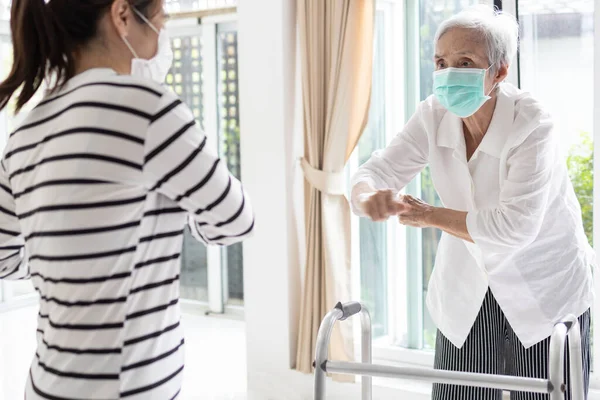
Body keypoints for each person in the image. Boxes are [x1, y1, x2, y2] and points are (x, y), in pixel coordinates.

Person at [0, 0, 254, 398]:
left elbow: (2, 257)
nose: (162, 36)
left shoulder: (25, 130)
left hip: (46, 383)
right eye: (161, 20)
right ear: (122, 16)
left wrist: (74, 260)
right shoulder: (146, 105)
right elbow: (236, 217)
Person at [351, 5, 593, 400]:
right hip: (465, 291)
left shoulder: (532, 124)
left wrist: (429, 214)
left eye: (465, 62)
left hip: (544, 290)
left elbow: (514, 227)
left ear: (499, 71)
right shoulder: (432, 115)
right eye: (441, 62)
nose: (448, 74)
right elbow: (374, 173)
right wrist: (367, 198)